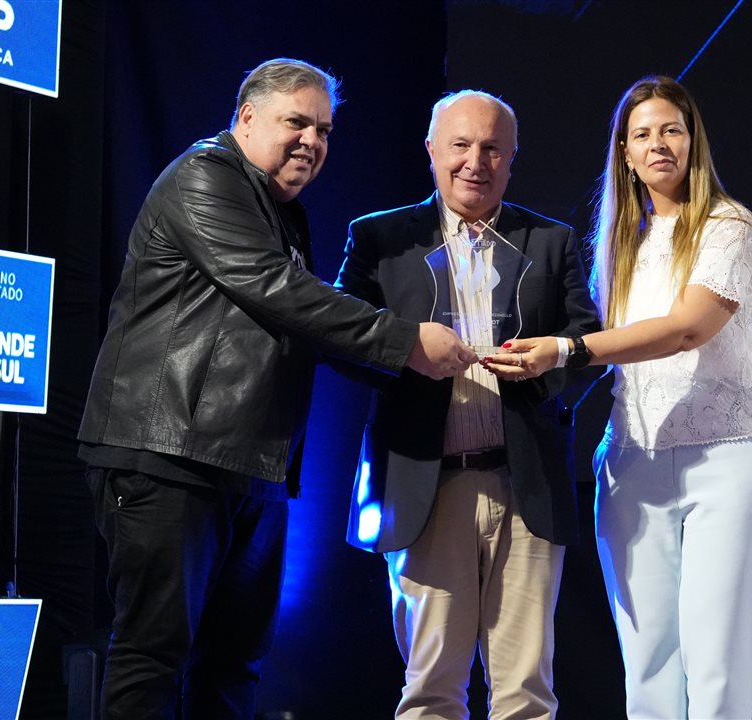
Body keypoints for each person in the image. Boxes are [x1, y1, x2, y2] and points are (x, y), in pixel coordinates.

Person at [77, 58, 475, 719]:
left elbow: (306, 332)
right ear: (247, 117)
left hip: (250, 466)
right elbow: (281, 292)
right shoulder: (205, 176)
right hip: (167, 454)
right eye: (297, 121)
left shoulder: (282, 211)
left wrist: (429, 370)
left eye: (324, 129)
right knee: (153, 654)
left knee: (234, 666)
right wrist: (409, 341)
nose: (313, 141)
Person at [483, 75, 752, 719]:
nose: (658, 145)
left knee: (718, 669)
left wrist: (564, 350)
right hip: (631, 463)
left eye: (671, 130)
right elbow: (602, 343)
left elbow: (686, 329)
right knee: (646, 665)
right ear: (624, 152)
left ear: (692, 140)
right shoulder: (619, 243)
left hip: (729, 461)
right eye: (642, 134)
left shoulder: (728, 226)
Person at [333, 90, 601, 719]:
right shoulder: (378, 238)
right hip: (425, 486)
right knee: (430, 693)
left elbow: (588, 346)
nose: (475, 161)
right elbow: (337, 339)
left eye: (491, 148)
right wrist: (406, 350)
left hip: (525, 485)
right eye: (460, 144)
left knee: (528, 696)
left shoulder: (552, 240)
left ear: (511, 158)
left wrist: (544, 365)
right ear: (431, 151)